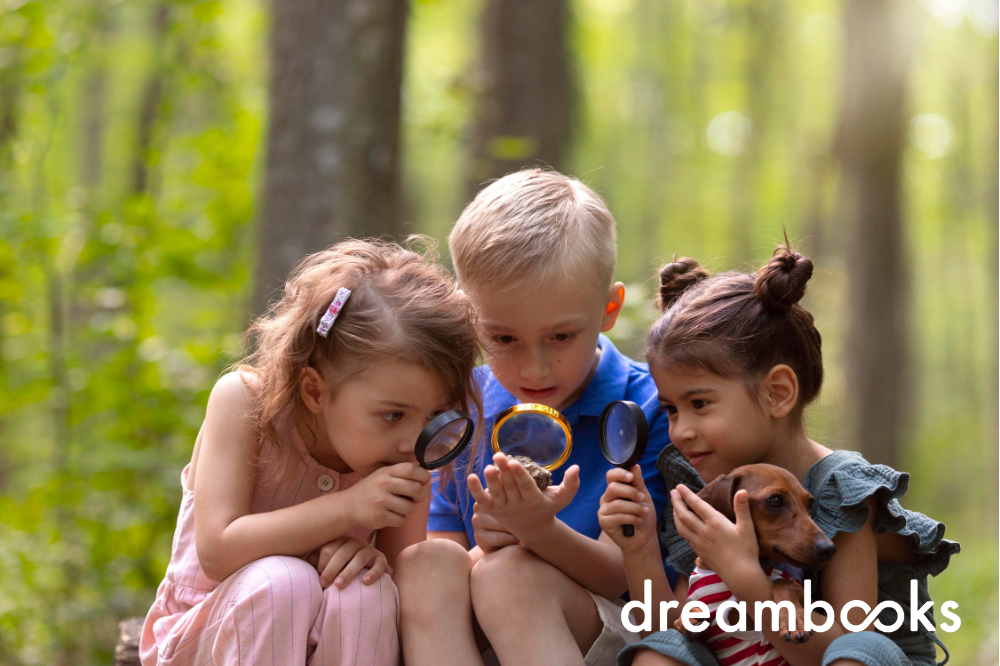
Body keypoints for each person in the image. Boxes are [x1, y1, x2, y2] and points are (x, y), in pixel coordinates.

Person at [601, 243, 959, 666]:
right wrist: (640, 550)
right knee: (657, 655)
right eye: (670, 410)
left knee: (858, 652)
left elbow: (846, 645)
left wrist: (744, 578)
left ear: (777, 393)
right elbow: (677, 629)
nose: (679, 431)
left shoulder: (841, 489)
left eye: (699, 404)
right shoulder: (712, 493)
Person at [139, 239, 482, 666]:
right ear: (315, 390)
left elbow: (402, 587)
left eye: (434, 416)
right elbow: (217, 551)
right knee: (284, 582)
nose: (412, 442)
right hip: (201, 637)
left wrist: (372, 560)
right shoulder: (245, 403)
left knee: (366, 590)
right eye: (393, 415)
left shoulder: (408, 463)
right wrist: (348, 508)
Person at [395, 168, 683, 666]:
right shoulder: (460, 412)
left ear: (609, 308)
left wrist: (537, 531)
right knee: (423, 565)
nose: (534, 368)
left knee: (507, 577)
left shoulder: (651, 406)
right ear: (468, 318)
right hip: (486, 628)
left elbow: (623, 576)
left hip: (613, 627)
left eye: (561, 336)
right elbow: (447, 564)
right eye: (503, 339)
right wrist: (492, 542)